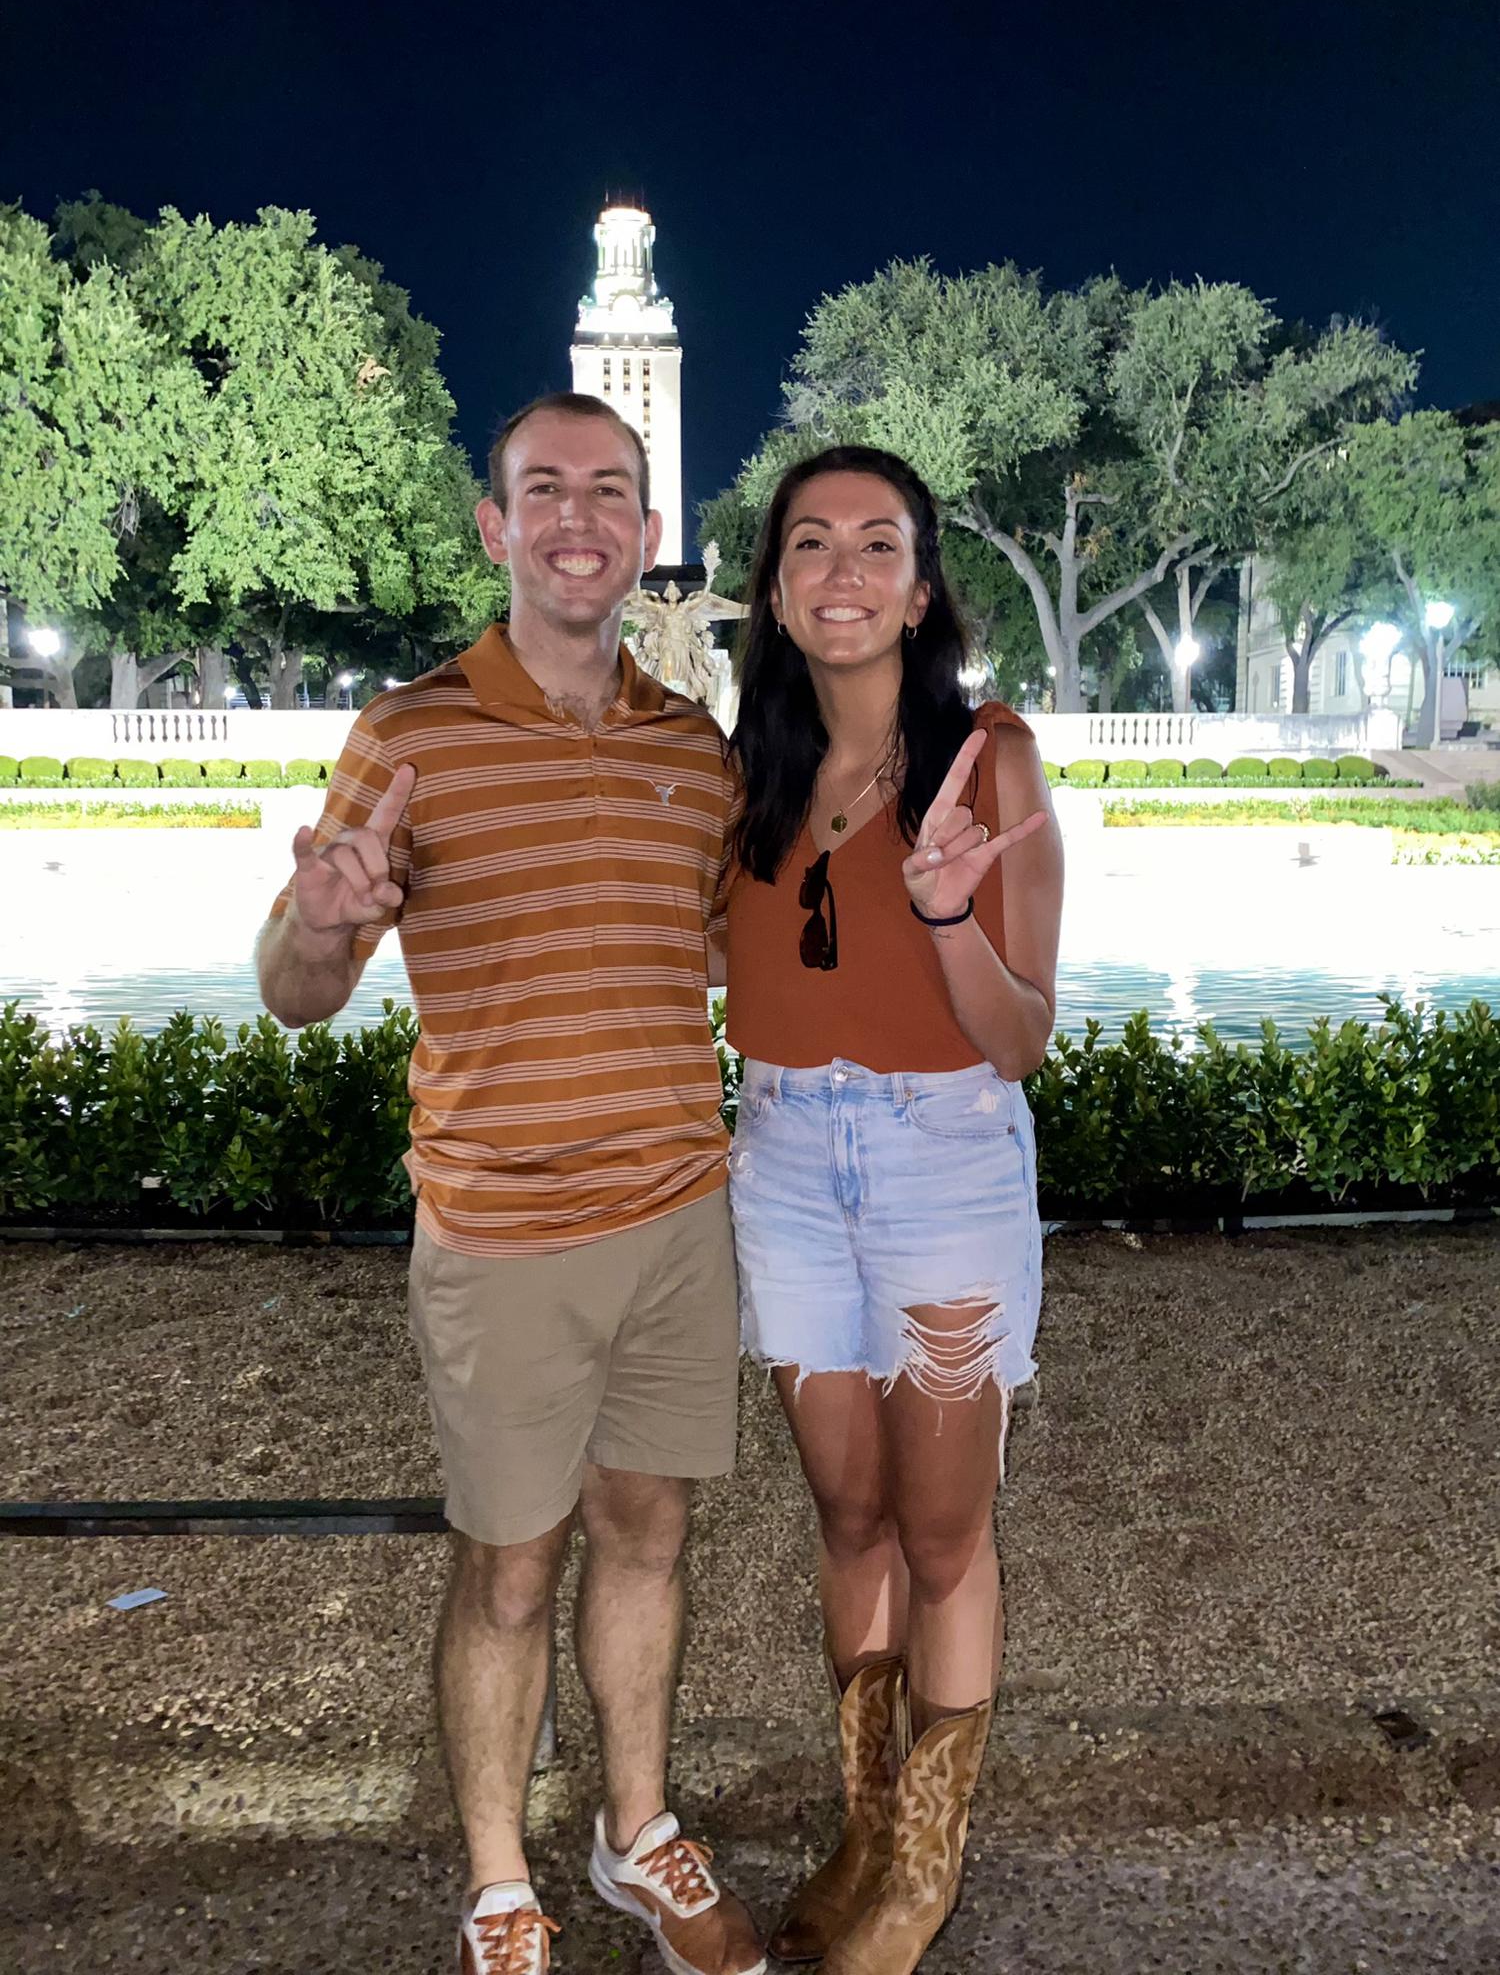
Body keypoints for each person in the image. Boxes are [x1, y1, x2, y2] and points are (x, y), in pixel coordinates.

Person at [257, 392, 765, 1975]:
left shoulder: (696, 753)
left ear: (648, 534)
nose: (576, 519)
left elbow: (724, 960)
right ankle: (496, 1879)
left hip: (681, 1214)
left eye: (608, 492)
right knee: (508, 1564)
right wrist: (328, 917)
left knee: (647, 1534)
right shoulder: (409, 735)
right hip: (503, 1230)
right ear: (494, 527)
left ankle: (634, 1832)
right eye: (542, 490)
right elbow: (292, 989)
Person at [725, 444, 1063, 1974]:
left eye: (877, 545)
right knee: (845, 1510)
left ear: (921, 590)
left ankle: (922, 1872)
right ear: (778, 592)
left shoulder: (992, 763)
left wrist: (941, 911)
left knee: (941, 1532)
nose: (843, 570)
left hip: (941, 1153)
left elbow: (1019, 1037)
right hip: (786, 1160)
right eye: (811, 543)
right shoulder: (747, 776)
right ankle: (865, 1826)